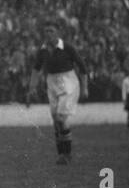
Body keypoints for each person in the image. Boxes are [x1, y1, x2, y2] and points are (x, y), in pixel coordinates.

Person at [29, 21, 88, 165]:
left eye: (51, 31)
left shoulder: (67, 48)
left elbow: (83, 67)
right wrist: (32, 87)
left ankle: (67, 154)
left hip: (68, 82)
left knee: (61, 118)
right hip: (52, 83)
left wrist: (85, 88)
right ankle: (61, 154)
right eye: (46, 31)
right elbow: (36, 69)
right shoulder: (43, 50)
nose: (48, 34)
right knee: (56, 120)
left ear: (57, 33)